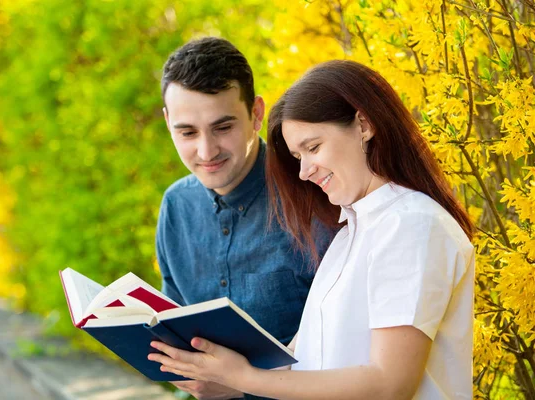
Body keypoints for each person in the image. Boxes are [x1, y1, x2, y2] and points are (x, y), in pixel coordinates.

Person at [149, 60, 475, 400]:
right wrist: (221, 375)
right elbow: (305, 362)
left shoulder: (411, 225)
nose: (304, 172)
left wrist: (243, 377)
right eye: (296, 155)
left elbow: (390, 385)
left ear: (363, 124)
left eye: (313, 148)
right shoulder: (352, 230)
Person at [156, 38, 335, 399]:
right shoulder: (176, 206)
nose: (206, 152)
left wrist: (237, 385)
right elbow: (171, 316)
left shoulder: (315, 198)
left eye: (223, 127)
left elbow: (344, 341)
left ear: (256, 114)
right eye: (187, 132)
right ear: (167, 122)